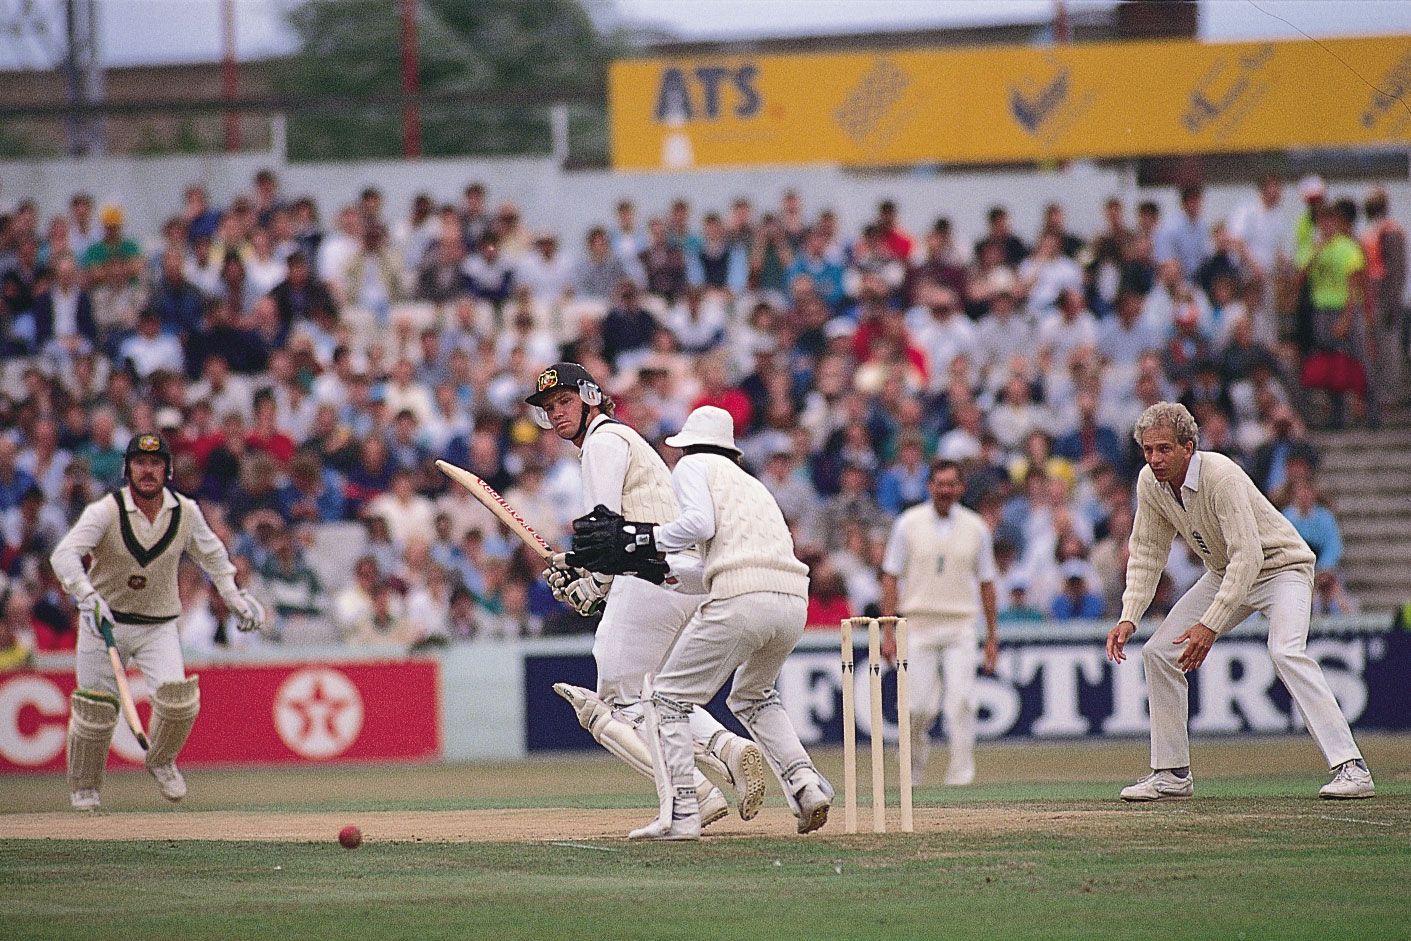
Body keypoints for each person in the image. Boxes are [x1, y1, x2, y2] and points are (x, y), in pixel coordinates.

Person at [565, 406, 832, 840]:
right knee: (754, 695)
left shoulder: (692, 465)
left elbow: (696, 525)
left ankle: (684, 815)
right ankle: (805, 787)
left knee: (664, 700)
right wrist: (652, 566)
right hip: (792, 602)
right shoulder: (753, 486)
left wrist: (640, 537)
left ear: (687, 444)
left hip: (742, 598)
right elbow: (704, 568)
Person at [526, 364, 767, 830]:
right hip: (679, 576)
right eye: (549, 409)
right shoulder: (621, 439)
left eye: (564, 403)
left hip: (652, 572)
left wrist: (589, 578)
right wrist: (590, 575)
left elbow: (604, 528)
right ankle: (727, 750)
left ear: (591, 398)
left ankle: (689, 798)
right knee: (658, 695)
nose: (556, 415)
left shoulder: (602, 442)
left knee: (619, 699)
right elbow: (616, 533)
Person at [1105, 403, 1373, 802]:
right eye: (1148, 450)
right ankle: (1172, 773)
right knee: (1159, 652)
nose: (1154, 459)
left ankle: (1352, 768)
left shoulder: (1222, 475)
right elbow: (1146, 551)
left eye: (1164, 449)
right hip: (1225, 572)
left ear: (1188, 448)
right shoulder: (1149, 483)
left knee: (1284, 651)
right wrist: (1130, 615)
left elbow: (1249, 556)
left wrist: (1211, 625)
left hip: (1282, 567)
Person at [49, 432, 266, 811]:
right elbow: (64, 556)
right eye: (139, 463)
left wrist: (233, 595)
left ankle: (161, 759)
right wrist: (86, 595)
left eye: (155, 464)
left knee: (179, 702)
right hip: (104, 622)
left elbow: (212, 554)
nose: (147, 471)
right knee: (96, 712)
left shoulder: (185, 511)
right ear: (127, 469)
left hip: (158, 624)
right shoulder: (106, 511)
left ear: (166, 470)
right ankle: (85, 791)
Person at [879, 459, 999, 786]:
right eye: (939, 484)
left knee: (961, 702)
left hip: (961, 625)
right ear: (929, 486)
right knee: (918, 708)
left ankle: (961, 777)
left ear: (960, 488)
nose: (945, 490)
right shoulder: (908, 524)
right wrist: (887, 631)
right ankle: (914, 769)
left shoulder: (976, 528)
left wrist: (991, 638)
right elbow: (890, 578)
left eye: (951, 484)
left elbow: (987, 584)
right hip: (917, 624)